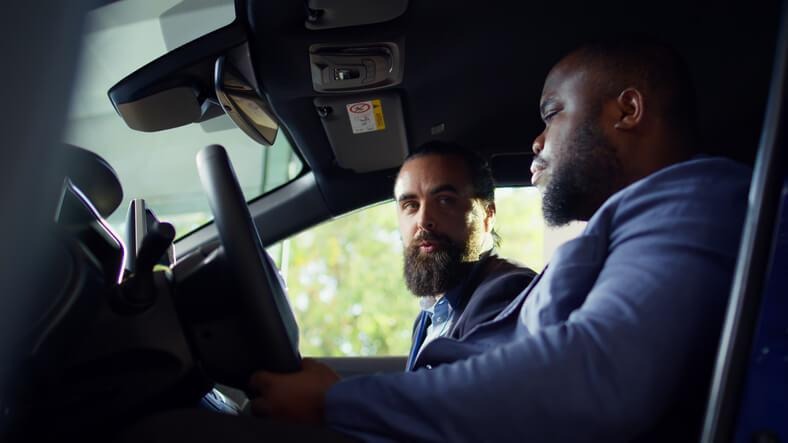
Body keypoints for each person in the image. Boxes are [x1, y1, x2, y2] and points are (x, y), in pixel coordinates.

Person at [245, 39, 751, 442]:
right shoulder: (634, 225)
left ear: (628, 110)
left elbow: (596, 376)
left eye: (551, 114)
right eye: (408, 204)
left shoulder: (695, 200)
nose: (536, 141)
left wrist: (337, 404)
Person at [393, 141, 536, 370]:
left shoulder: (508, 291)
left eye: (444, 200)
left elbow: (464, 400)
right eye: (410, 205)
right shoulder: (427, 318)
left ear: (487, 215)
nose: (423, 220)